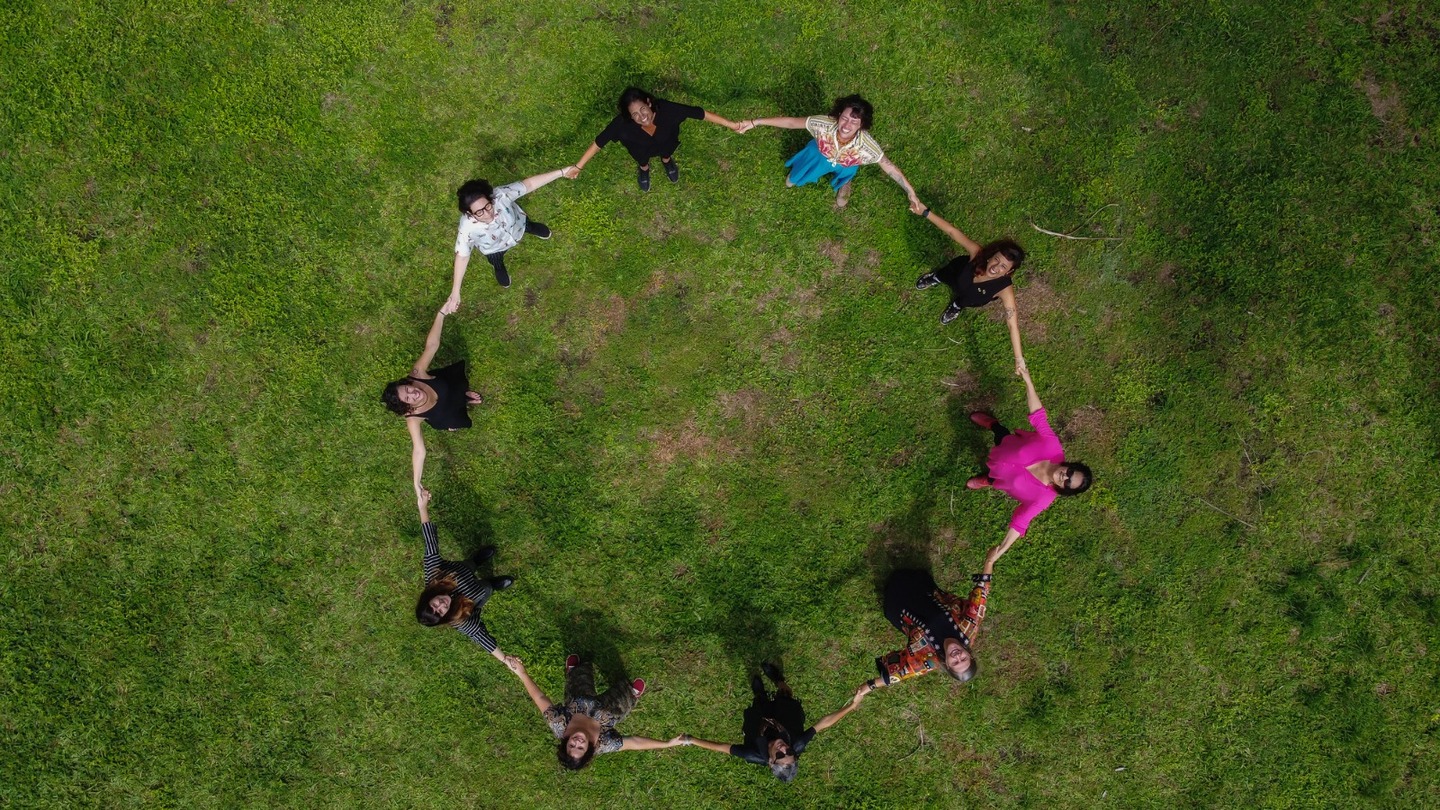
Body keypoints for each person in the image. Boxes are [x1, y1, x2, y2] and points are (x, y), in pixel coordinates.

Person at [969, 365, 1093, 558]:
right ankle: (993, 424)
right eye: (1070, 473)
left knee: (995, 480)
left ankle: (987, 480)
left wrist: (1001, 550)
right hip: (1006, 445)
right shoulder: (1052, 446)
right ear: (1070, 465)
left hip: (1001, 476)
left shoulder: (1043, 499)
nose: (1065, 477)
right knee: (1000, 433)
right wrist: (1028, 381)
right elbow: (1038, 415)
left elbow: (1021, 522)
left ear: (1065, 489)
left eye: (1068, 483)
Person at [679, 662, 874, 782]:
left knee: (760, 704)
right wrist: (851, 706)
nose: (784, 749)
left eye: (781, 755)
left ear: (771, 762)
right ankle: (778, 679)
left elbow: (721, 747)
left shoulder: (753, 754)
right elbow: (824, 723)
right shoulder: (797, 743)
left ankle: (760, 694)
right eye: (790, 753)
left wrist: (690, 739)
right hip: (786, 719)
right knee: (785, 694)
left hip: (759, 725)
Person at [503, 653, 685, 770]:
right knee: (621, 702)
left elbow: (540, 698)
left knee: (578, 682)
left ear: (565, 742)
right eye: (580, 748)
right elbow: (635, 742)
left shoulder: (558, 724)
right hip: (608, 711)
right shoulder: (604, 744)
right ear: (589, 748)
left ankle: (575, 671)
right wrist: (667, 744)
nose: (577, 742)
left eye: (571, 745)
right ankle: (631, 693)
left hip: (580, 699)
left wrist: (522, 673)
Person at [737, 95, 920, 209]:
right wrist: (755, 122)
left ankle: (845, 181)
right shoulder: (823, 124)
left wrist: (910, 191)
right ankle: (804, 171)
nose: (846, 125)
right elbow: (792, 122)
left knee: (848, 169)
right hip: (819, 155)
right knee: (796, 176)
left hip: (847, 163)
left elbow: (889, 167)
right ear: (839, 115)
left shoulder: (867, 147)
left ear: (862, 125)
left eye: (854, 122)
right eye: (845, 118)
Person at [380, 308, 481, 499]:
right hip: (442, 415)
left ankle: (465, 395)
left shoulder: (417, 374)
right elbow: (419, 451)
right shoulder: (412, 419)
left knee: (456, 387)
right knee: (454, 419)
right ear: (408, 407)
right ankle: (460, 407)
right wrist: (416, 482)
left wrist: (441, 314)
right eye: (408, 398)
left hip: (448, 386)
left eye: (408, 389)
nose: (413, 393)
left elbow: (432, 345)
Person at [872, 546, 1003, 688]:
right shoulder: (968, 628)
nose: (957, 657)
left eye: (955, 663)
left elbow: (902, 673)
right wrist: (989, 562)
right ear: (969, 654)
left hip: (897, 606)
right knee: (907, 576)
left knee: (892, 587)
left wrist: (869, 686)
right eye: (963, 659)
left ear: (947, 664)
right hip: (920, 587)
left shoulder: (928, 658)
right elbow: (981, 596)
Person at [908, 201, 1030, 353]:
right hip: (956, 274)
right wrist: (925, 212)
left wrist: (1019, 359)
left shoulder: (1005, 290)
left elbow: (1013, 325)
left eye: (1003, 267)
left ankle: (957, 306)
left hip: (972, 297)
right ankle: (935, 278)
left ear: (1008, 273)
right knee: (944, 275)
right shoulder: (978, 254)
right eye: (996, 260)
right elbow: (952, 232)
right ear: (991, 256)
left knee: (965, 301)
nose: (995, 267)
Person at [570, 87, 745, 192]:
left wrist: (731, 124)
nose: (642, 117)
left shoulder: (667, 109)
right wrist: (578, 166)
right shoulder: (622, 124)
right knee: (642, 159)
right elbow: (599, 143)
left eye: (642, 109)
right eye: (634, 114)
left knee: (666, 152)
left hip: (666, 141)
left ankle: (667, 161)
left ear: (648, 102)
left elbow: (700, 113)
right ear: (629, 116)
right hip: (640, 149)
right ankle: (644, 169)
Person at [444, 166, 573, 305]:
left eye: (488, 206)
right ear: (470, 213)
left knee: (530, 226)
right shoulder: (467, 228)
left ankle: (533, 229)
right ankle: (499, 268)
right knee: (497, 264)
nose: (488, 214)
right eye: (479, 212)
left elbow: (529, 185)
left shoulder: (500, 195)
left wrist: (562, 172)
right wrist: (455, 292)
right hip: (494, 249)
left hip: (518, 225)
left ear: (490, 198)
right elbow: (462, 256)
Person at [413, 489, 515, 659]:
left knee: (469, 564)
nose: (441, 605)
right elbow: (480, 636)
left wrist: (422, 508)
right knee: (487, 588)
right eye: (440, 612)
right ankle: (492, 583)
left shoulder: (433, 576)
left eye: (434, 605)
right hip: (477, 592)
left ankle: (476, 560)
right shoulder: (458, 619)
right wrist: (505, 659)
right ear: (444, 617)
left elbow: (431, 546)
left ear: (428, 598)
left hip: (463, 569)